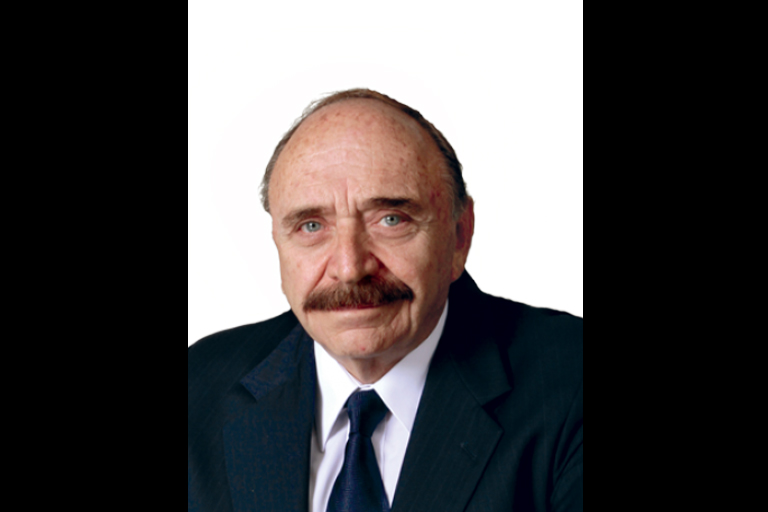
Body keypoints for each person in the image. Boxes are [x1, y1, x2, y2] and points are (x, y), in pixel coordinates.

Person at [188, 89, 583, 512]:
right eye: (311, 226)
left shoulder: (569, 382)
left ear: (459, 235)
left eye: (391, 219)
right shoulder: (199, 388)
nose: (350, 267)